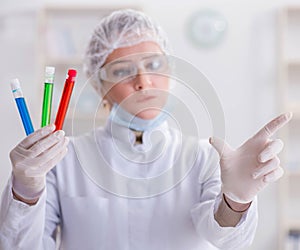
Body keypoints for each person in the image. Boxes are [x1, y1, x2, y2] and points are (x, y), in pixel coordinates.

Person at [0, 9, 292, 250]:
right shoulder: (64, 158)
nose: (143, 81)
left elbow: (226, 239)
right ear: (100, 87)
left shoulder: (204, 156)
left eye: (153, 64)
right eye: (122, 71)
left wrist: (236, 199)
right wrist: (25, 191)